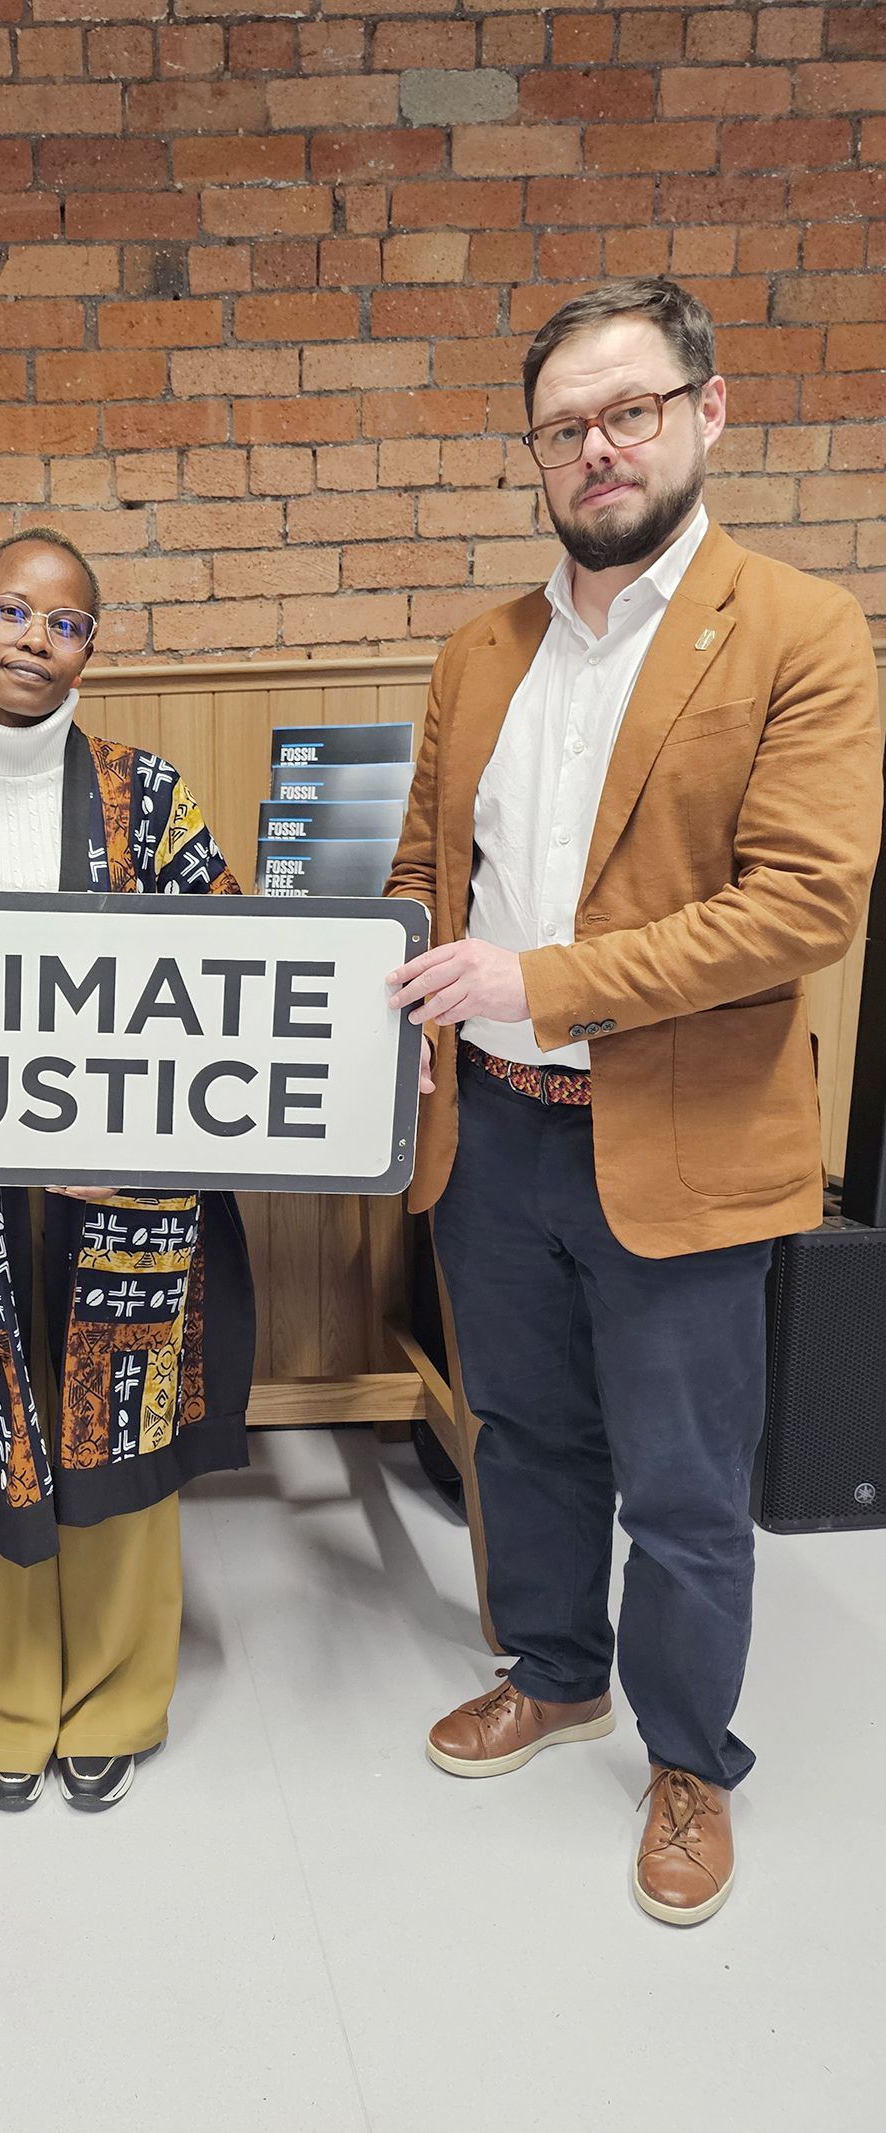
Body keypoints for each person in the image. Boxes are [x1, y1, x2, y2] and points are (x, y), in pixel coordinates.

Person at [386, 278, 882, 1926]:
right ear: (532, 452)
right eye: (564, 426)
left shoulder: (799, 631)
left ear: (706, 412)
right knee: (524, 1433)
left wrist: (544, 977)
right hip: (493, 1134)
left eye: (630, 411)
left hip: (677, 1140)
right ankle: (554, 1667)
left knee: (680, 1481)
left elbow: (802, 907)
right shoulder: (482, 650)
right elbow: (420, 882)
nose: (597, 448)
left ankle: (687, 1754)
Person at [0, 527, 255, 1812]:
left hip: (122, 1184)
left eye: (64, 623)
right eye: (10, 611)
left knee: (117, 1434)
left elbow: (237, 962)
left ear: (90, 650)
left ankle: (118, 1698)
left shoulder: (152, 797)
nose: (34, 639)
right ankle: (1, 1709)